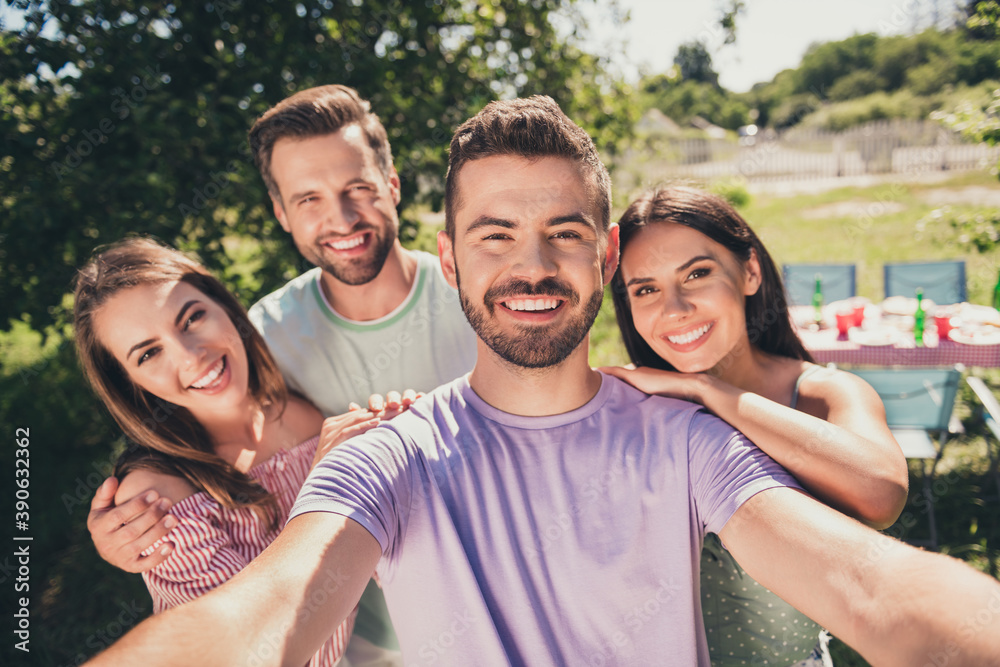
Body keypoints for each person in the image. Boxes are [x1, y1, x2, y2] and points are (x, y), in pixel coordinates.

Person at [85, 97, 1000, 667]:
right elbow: (257, 617)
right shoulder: (385, 455)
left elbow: (876, 590)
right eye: (494, 235)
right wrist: (150, 480)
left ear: (605, 255)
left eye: (564, 232)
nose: (532, 266)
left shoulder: (678, 430)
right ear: (448, 253)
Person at [84, 84, 478, 664]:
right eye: (309, 199)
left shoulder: (481, 304)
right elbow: (182, 430)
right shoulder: (258, 342)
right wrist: (123, 532)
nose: (340, 217)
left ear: (392, 187)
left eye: (358, 188)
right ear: (282, 215)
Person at [604, 186, 909, 666]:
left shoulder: (822, 393)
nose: (675, 308)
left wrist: (711, 391)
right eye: (646, 289)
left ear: (749, 271)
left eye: (697, 274)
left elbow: (881, 492)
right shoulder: (630, 404)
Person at [73, 237, 403, 666]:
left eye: (192, 318)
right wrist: (333, 488)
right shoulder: (160, 502)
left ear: (224, 307)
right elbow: (278, 650)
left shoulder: (301, 415)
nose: (192, 357)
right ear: (129, 385)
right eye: (149, 353)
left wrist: (397, 449)